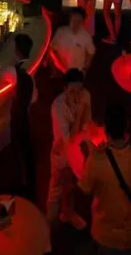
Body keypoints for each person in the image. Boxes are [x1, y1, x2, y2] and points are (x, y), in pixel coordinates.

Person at [78, 103, 131, 254]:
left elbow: (84, 190)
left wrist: (88, 155)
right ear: (126, 126)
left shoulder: (95, 160)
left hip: (105, 236)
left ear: (105, 129)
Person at [48, 68, 91, 231]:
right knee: (56, 189)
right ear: (64, 89)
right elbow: (69, 140)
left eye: (79, 91)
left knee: (71, 186)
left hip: (78, 150)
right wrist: (80, 113)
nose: (76, 95)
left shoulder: (86, 96)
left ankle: (68, 213)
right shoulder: (57, 107)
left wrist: (89, 152)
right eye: (72, 91)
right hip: (62, 154)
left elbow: (87, 125)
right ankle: (48, 228)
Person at [5, 33, 37, 199]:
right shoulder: (29, 68)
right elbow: (35, 97)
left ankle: (23, 189)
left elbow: (1, 73)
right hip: (26, 114)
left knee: (19, 148)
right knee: (26, 148)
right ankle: (29, 186)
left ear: (17, 50)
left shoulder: (14, 71)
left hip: (19, 115)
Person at [50, 7, 95, 74]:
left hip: (77, 72)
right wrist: (59, 67)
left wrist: (86, 67)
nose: (75, 24)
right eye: (73, 20)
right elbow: (52, 50)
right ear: (69, 20)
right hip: (60, 70)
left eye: (78, 21)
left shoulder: (86, 36)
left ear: (83, 21)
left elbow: (91, 52)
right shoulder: (61, 32)